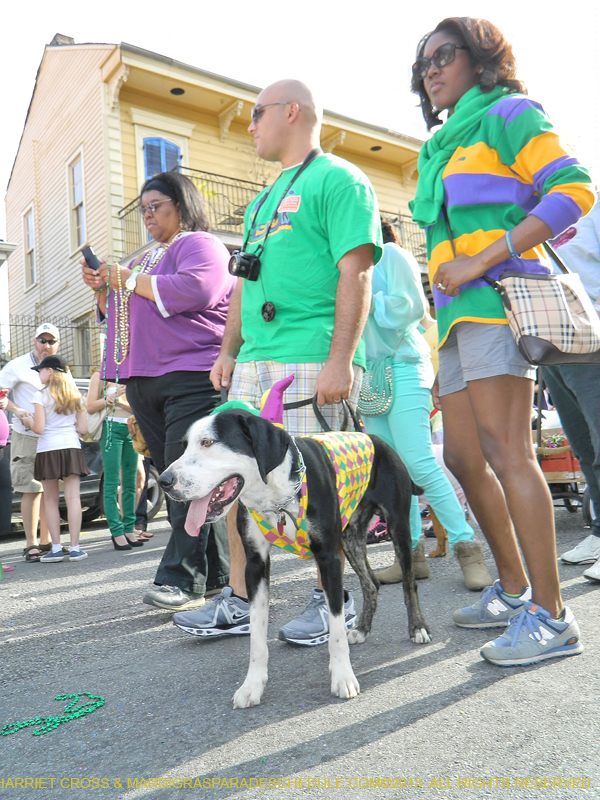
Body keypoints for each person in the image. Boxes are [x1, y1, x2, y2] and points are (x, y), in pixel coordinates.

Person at [409, 17, 594, 666]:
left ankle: (553, 617)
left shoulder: (510, 114)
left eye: (444, 55)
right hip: (455, 321)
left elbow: (575, 190)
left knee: (506, 451)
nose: (430, 69)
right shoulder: (440, 146)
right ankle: (515, 591)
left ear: (479, 58)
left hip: (498, 302)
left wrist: (483, 259)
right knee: (462, 457)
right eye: (423, 61)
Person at [172, 79, 382, 646]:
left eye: (257, 113)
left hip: (314, 358)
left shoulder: (340, 179)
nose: (250, 124)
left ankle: (328, 599)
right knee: (236, 485)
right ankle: (242, 600)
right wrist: (227, 349)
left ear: (293, 112)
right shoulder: (263, 201)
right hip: (255, 364)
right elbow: (243, 280)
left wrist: (341, 360)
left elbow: (356, 271)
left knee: (317, 492)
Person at [82, 171, 234, 611]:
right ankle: (218, 577)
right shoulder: (149, 258)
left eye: (156, 206)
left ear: (182, 207)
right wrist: (103, 290)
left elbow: (197, 289)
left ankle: (180, 581)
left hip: (191, 376)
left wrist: (124, 279)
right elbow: (125, 318)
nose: (147, 215)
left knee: (185, 479)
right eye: (144, 207)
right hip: (147, 381)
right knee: (187, 482)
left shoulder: (199, 244)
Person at [362, 220, 492, 591]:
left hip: (404, 365)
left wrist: (359, 294)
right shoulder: (343, 263)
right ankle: (411, 557)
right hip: (371, 374)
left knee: (418, 461)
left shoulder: (392, 254)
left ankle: (467, 546)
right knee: (391, 470)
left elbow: (410, 309)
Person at [544, 202, 600, 583]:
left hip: (592, 339)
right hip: (549, 345)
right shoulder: (535, 219)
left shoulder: (591, 212)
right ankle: (597, 533)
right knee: (581, 446)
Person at [0, 323, 61, 562]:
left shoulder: (59, 367)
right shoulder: (17, 365)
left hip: (52, 435)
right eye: (42, 341)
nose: (46, 346)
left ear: (57, 343)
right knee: (31, 489)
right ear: (34, 342)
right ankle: (31, 544)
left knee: (50, 489)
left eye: (51, 341)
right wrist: (19, 411)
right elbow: (1, 395)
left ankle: (48, 542)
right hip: (27, 435)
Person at [20, 355, 89, 563]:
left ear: (50, 371)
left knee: (50, 500)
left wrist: (28, 420)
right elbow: (84, 429)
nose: (38, 374)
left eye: (40, 370)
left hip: (48, 449)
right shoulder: (75, 395)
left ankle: (57, 549)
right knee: (73, 498)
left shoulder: (40, 395)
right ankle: (76, 548)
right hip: (71, 448)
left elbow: (39, 428)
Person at [86, 371, 143, 551]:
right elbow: (90, 406)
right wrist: (112, 397)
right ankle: (116, 531)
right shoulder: (100, 375)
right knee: (111, 481)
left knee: (130, 480)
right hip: (111, 427)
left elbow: (139, 409)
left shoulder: (131, 374)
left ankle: (129, 528)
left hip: (130, 426)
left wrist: (122, 403)